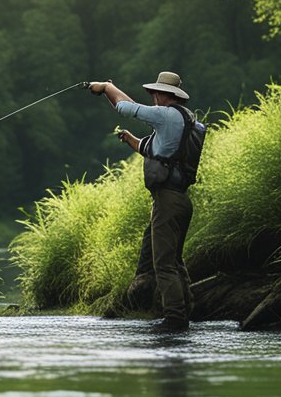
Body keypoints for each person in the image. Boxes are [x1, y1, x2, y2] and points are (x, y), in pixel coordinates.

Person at [87, 72, 204, 331]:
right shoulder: (185, 121)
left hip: (167, 200)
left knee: (163, 263)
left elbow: (126, 107)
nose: (152, 97)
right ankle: (186, 313)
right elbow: (155, 151)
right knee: (175, 261)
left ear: (166, 95)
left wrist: (106, 87)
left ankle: (175, 319)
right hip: (180, 200)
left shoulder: (167, 115)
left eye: (155, 93)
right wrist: (130, 140)